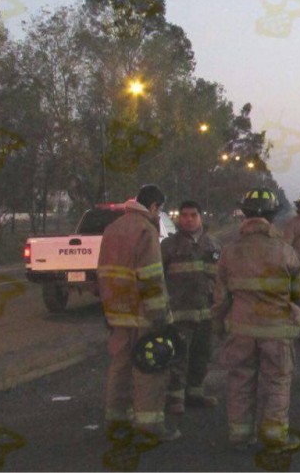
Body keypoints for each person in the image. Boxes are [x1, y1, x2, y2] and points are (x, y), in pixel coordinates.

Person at [212, 188, 300, 452]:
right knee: (277, 381)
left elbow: (220, 299)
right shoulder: (286, 251)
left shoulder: (229, 252)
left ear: (244, 214)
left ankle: (239, 434)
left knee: (240, 381)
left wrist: (217, 327)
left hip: (241, 331)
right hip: (277, 332)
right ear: (271, 216)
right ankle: (274, 436)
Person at [98, 184, 180, 441]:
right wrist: (161, 318)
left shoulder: (113, 228)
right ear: (154, 206)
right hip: (143, 312)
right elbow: (152, 279)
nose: (159, 215)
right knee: (149, 367)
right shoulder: (145, 230)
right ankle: (149, 424)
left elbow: (103, 272)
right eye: (160, 209)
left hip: (116, 309)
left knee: (120, 364)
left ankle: (116, 419)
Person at [161, 200, 221, 414]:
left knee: (203, 354)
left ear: (200, 217)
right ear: (178, 219)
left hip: (206, 312)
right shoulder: (168, 246)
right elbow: (158, 278)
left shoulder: (213, 245)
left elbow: (221, 279)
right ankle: (175, 397)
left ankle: (195, 392)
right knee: (178, 356)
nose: (188, 219)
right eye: (184, 215)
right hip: (179, 313)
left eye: (192, 215)